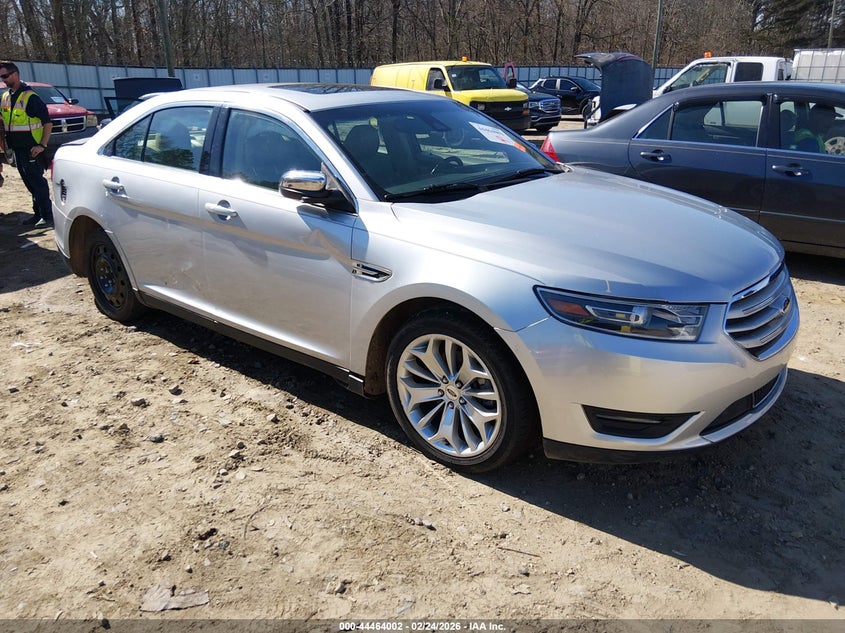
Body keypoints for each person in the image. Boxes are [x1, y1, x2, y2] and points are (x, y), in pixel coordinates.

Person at [0, 61, 54, 227]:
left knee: (37, 182)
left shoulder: (31, 97)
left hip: (32, 148)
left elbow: (47, 123)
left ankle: (47, 215)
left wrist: (42, 145)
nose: (3, 80)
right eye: (1, 77)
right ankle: (37, 214)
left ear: (15, 74)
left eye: (5, 76)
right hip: (17, 148)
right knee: (29, 182)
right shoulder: (6, 96)